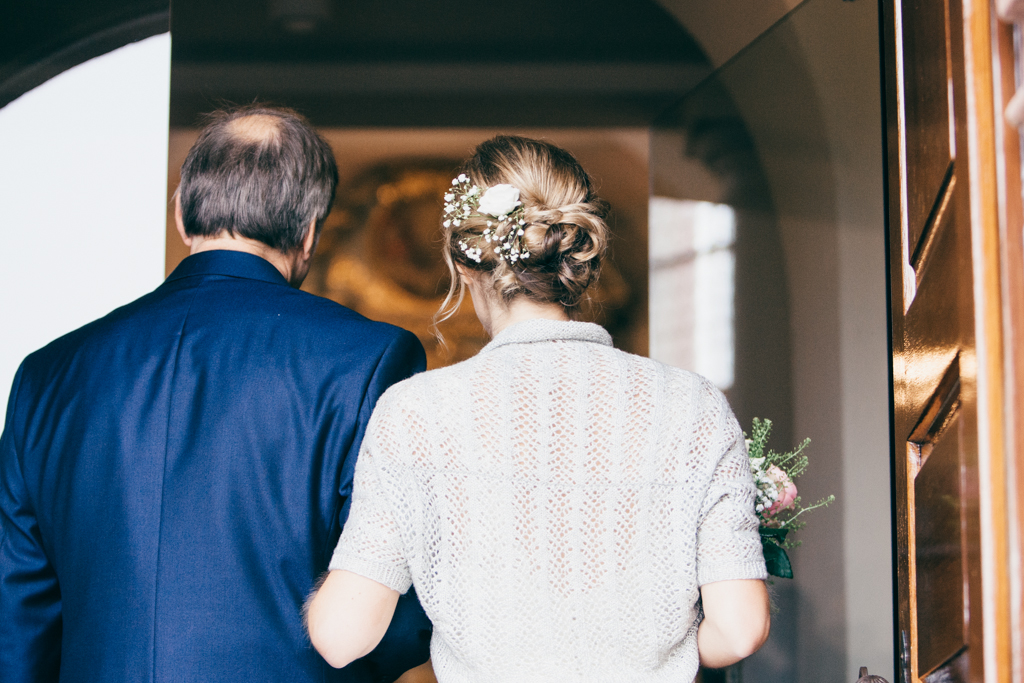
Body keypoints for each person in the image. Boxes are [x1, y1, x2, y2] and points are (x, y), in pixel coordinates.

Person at [306, 135, 771, 681]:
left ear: (464, 263)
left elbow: (342, 638)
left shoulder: (415, 412)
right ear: (582, 256)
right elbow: (739, 631)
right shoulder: (694, 405)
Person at [0, 105, 431, 682]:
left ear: (180, 214)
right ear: (309, 232)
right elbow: (400, 602)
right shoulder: (370, 359)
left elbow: (17, 611)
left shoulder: (48, 374)